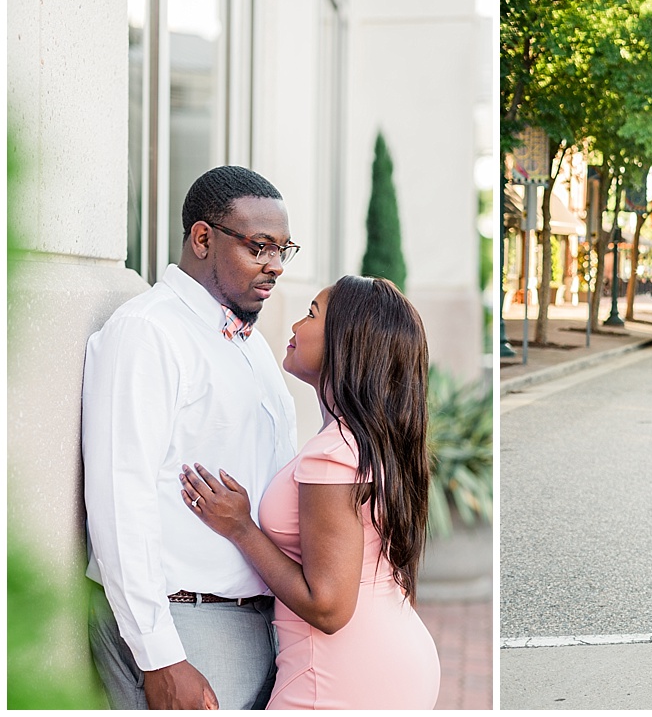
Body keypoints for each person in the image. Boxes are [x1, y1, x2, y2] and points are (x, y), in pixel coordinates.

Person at [83, 166, 299, 709]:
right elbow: (119, 495)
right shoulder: (148, 331)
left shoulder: (247, 341)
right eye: (259, 247)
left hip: (254, 622)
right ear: (203, 239)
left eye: (283, 249)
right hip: (185, 625)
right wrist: (161, 655)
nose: (274, 266)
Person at [180, 275, 441, 709]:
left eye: (313, 314)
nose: (297, 325)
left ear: (346, 342)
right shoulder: (368, 439)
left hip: (341, 675)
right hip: (385, 656)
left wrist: (242, 528)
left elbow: (329, 608)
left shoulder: (334, 454)